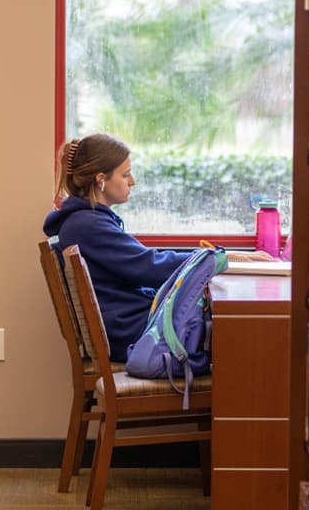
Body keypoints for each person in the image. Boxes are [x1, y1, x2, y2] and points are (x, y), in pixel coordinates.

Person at [43, 133, 273, 362]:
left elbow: (146, 261)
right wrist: (216, 259)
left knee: (224, 325)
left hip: (127, 323)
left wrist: (213, 258)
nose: (132, 181)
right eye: (125, 174)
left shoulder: (88, 221)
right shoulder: (87, 225)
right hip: (130, 331)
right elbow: (148, 266)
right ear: (100, 179)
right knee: (238, 330)